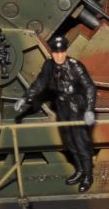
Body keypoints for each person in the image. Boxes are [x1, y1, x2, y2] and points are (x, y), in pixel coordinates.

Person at [13, 35, 97, 192]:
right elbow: (39, 83)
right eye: (56, 53)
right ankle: (79, 171)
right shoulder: (49, 66)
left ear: (65, 51)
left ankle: (88, 176)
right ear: (51, 53)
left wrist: (89, 110)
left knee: (81, 142)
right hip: (61, 106)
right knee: (70, 142)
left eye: (62, 52)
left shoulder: (75, 66)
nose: (59, 56)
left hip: (76, 106)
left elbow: (90, 87)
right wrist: (25, 98)